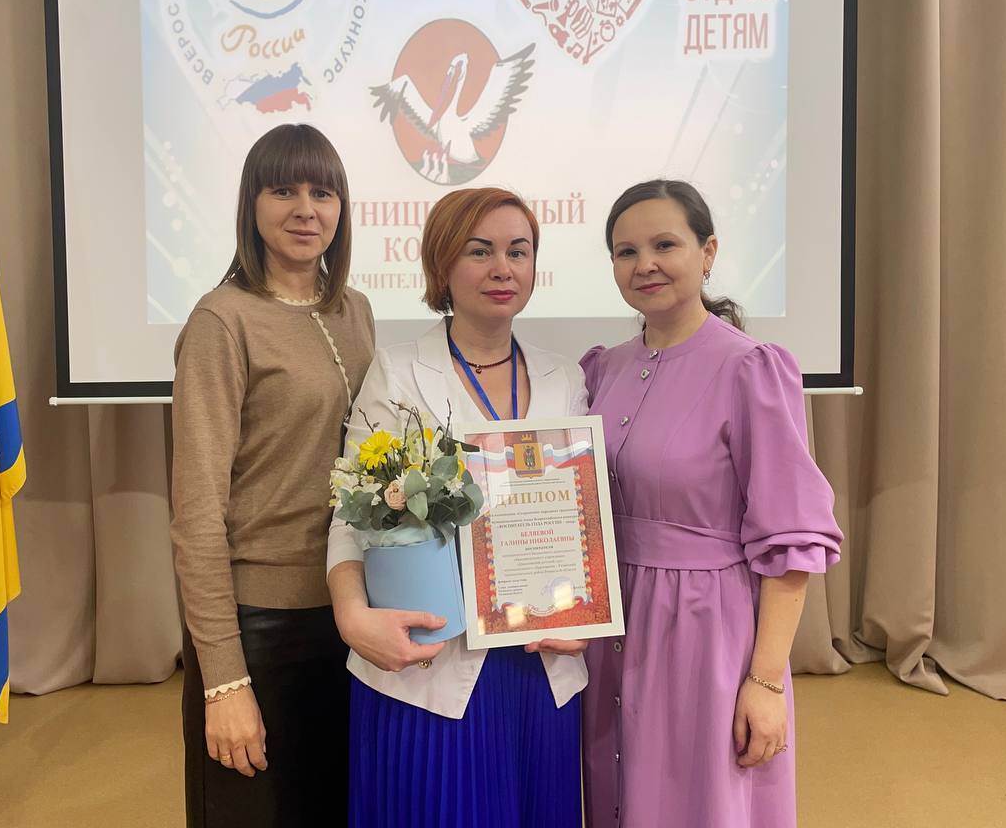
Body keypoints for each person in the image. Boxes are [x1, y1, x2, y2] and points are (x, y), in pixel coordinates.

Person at [581, 179, 843, 828]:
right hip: (611, 622)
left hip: (704, 630)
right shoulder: (602, 369)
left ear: (708, 252)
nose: (645, 264)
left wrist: (766, 682)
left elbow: (790, 543)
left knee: (698, 801)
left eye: (664, 245)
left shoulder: (750, 368)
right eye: (625, 251)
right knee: (614, 790)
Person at [327, 187, 589, 828]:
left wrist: (588, 613)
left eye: (518, 252)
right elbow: (349, 516)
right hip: (431, 662)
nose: (503, 268)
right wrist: (351, 617)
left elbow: (585, 517)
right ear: (442, 266)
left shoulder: (565, 378)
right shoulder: (396, 372)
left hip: (539, 660)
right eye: (480, 251)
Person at [170, 124, 375, 827]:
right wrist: (224, 678)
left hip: (348, 611)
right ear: (251, 204)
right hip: (258, 625)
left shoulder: (354, 311)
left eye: (323, 193)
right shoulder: (221, 321)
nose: (306, 210)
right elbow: (197, 511)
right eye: (284, 190)